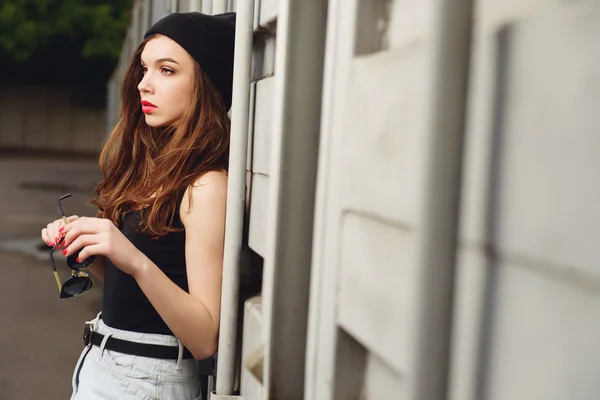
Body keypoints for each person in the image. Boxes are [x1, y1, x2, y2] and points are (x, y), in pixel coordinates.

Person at [40, 11, 236, 400]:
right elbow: (137, 286)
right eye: (145, 69)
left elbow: (204, 337)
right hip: (102, 362)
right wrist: (88, 243)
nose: (144, 84)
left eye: (167, 70)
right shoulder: (152, 169)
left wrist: (131, 258)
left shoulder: (206, 185)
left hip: (148, 378)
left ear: (206, 82)